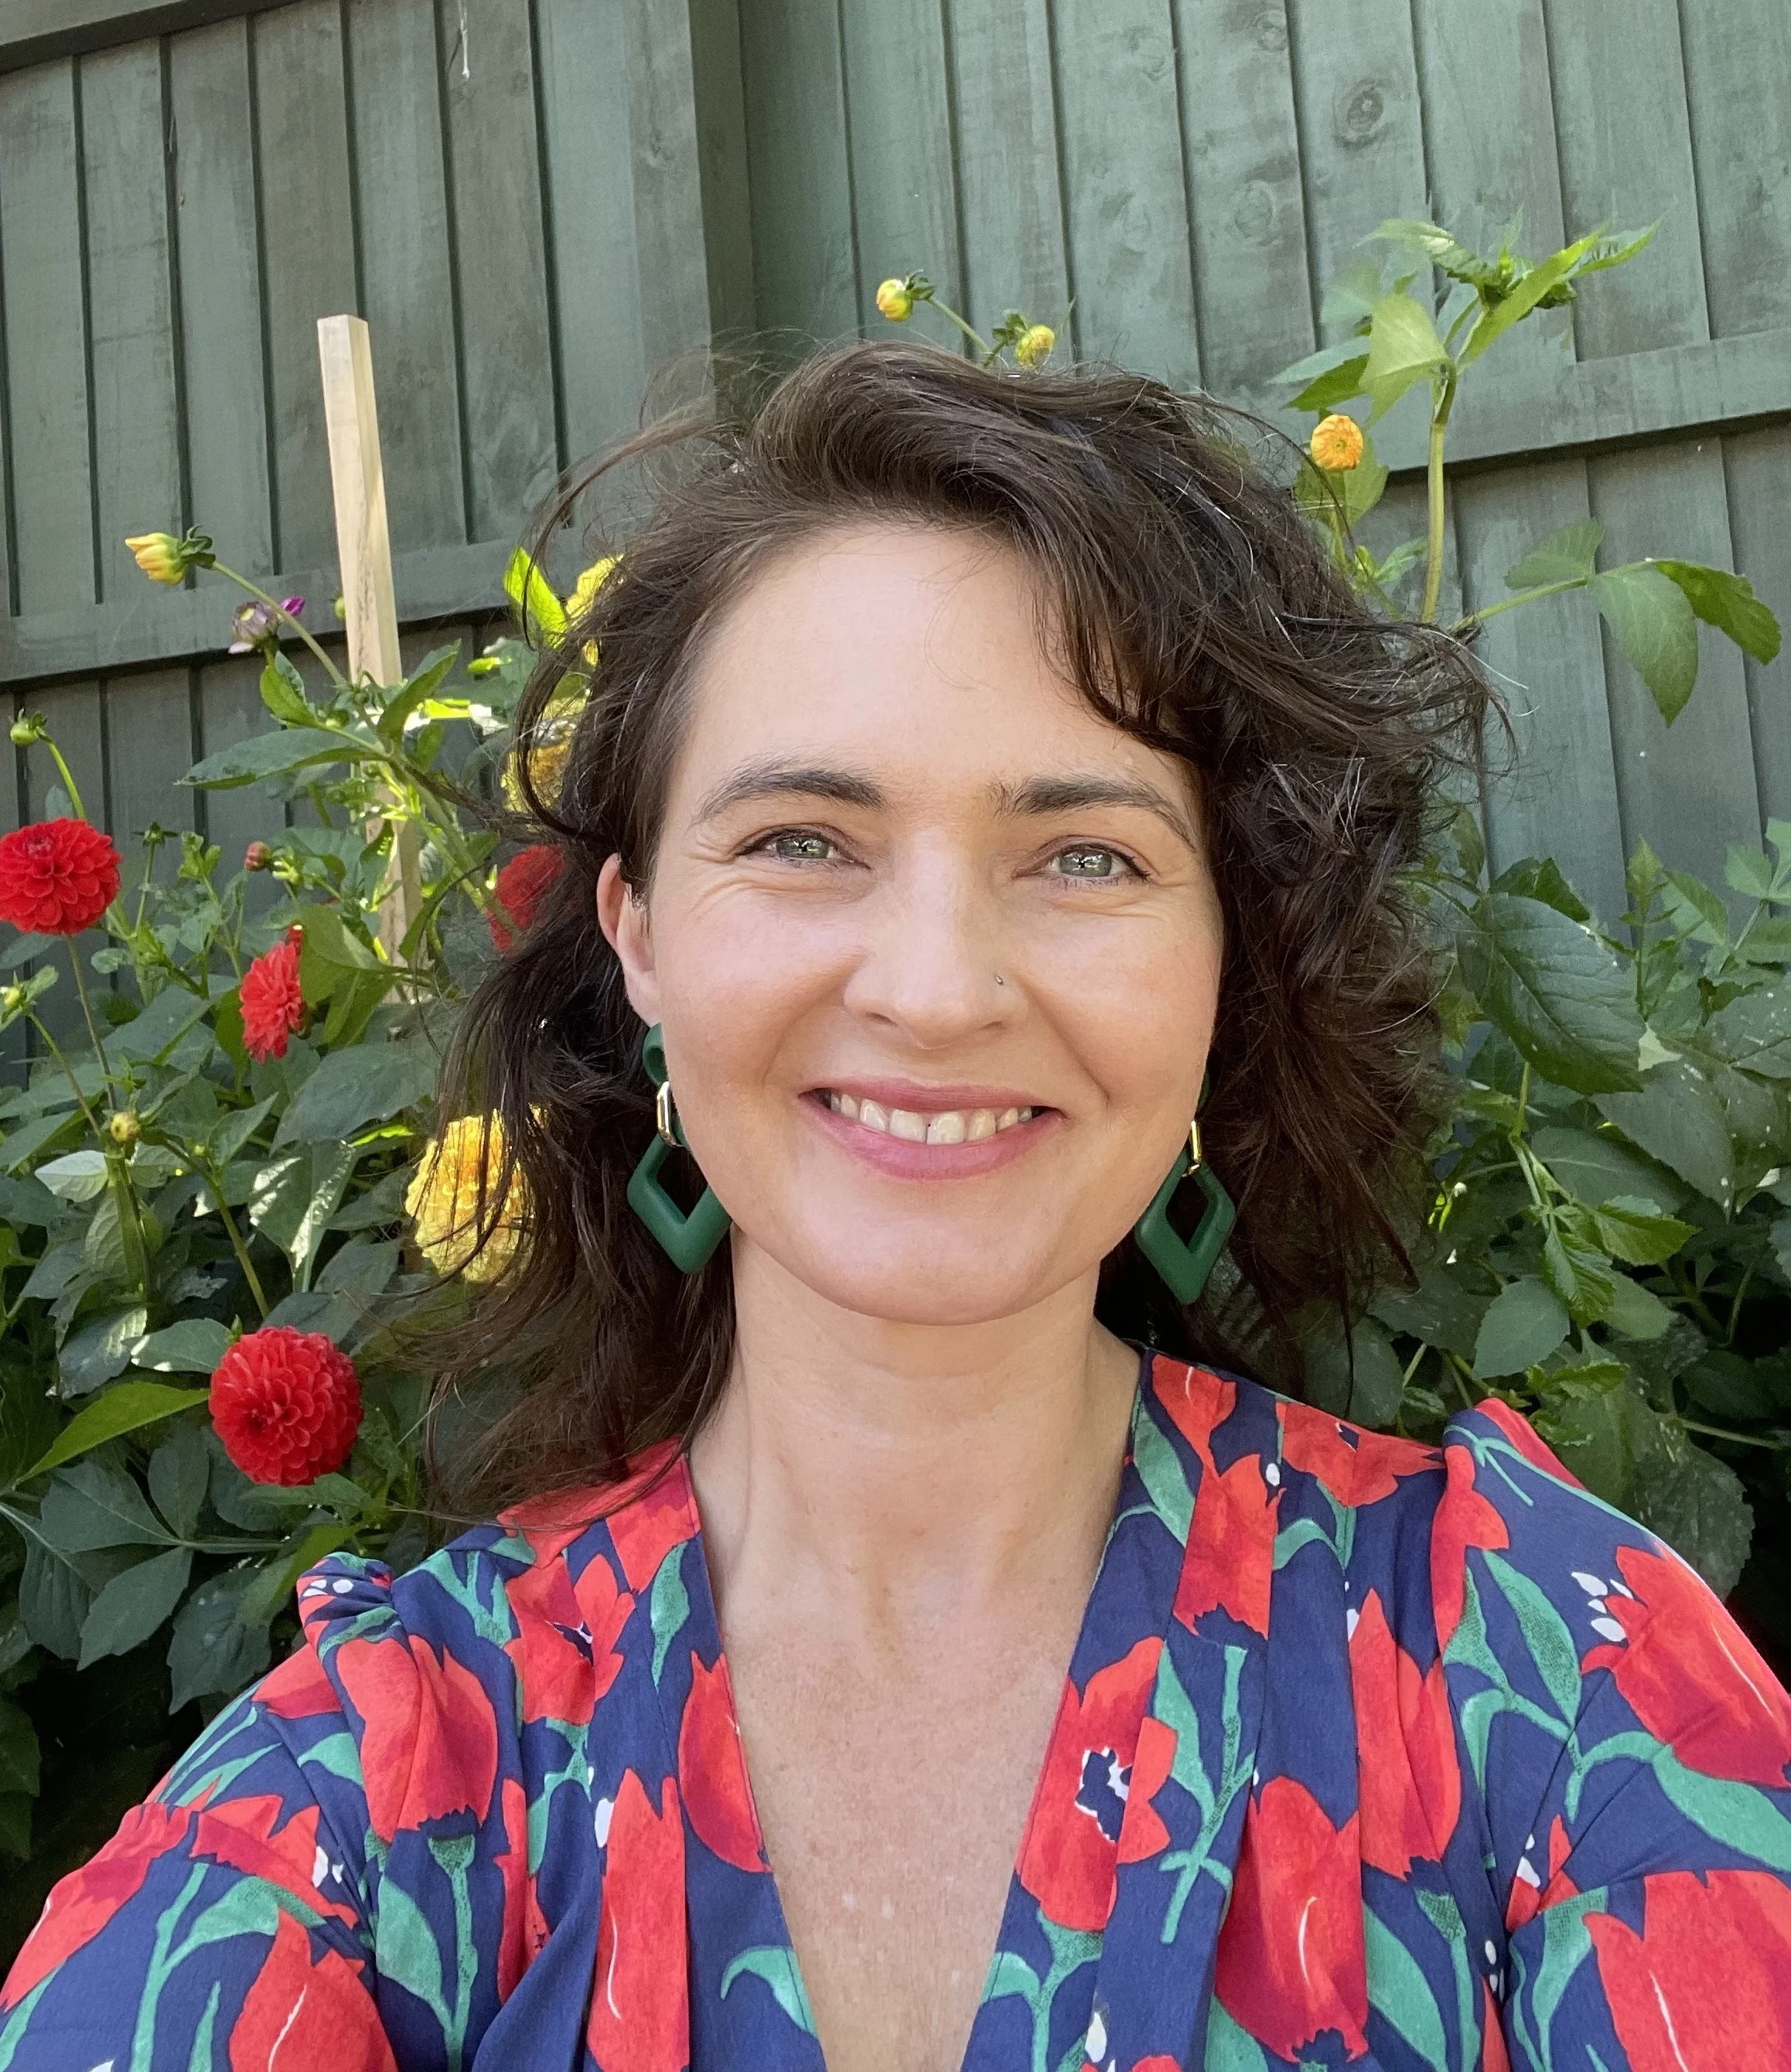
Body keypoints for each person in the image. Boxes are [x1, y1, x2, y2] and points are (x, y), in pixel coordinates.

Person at [4, 342, 1789, 2072]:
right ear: (637, 934)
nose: (936, 990)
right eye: (802, 839)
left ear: (1225, 961)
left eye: (1085, 853)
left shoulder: (1552, 1687)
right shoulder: (372, 1797)